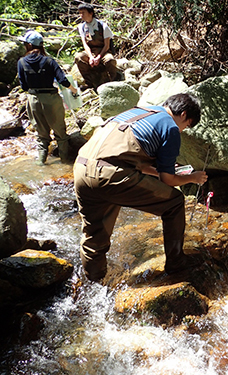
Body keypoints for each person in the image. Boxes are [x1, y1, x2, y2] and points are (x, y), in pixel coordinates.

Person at [73, 93, 208, 281]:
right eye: (187, 126)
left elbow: (133, 160)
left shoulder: (137, 112)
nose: (183, 130)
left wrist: (161, 171)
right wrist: (192, 178)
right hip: (112, 175)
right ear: (184, 114)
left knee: (94, 235)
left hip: (82, 169)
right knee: (175, 202)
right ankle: (176, 263)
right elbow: (168, 181)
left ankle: (94, 282)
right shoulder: (170, 127)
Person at [17, 30, 78, 165]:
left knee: (42, 134)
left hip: (33, 100)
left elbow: (24, 87)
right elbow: (63, 80)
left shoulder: (21, 62)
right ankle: (65, 163)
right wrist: (74, 91)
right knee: (61, 134)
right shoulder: (49, 61)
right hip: (51, 100)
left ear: (29, 45)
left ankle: (41, 163)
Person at [74, 3, 117, 89]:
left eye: (83, 13)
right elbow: (85, 44)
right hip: (91, 52)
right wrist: (90, 57)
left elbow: (107, 45)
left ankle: (113, 82)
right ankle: (89, 83)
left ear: (91, 13)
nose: (81, 15)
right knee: (78, 57)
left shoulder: (103, 26)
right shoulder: (82, 27)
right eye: (80, 13)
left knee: (110, 60)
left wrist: (99, 57)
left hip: (103, 52)